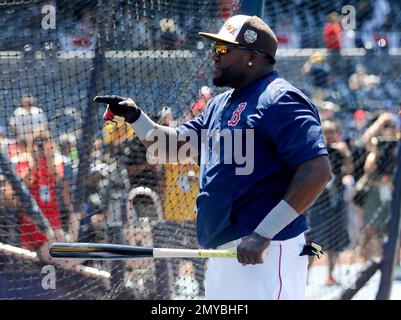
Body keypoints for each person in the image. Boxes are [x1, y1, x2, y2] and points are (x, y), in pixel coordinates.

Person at [94, 14, 331, 300]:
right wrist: (136, 117)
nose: (214, 56)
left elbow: (317, 171)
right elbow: (175, 148)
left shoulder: (280, 99)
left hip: (266, 251)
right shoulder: (220, 105)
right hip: (224, 250)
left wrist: (263, 233)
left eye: (223, 49)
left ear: (253, 58)